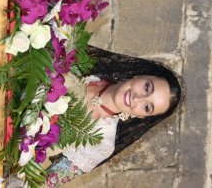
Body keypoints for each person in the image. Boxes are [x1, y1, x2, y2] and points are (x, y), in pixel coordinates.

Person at [39, 46, 183, 187]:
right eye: (147, 87)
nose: (137, 98)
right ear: (141, 75)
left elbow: (43, 183)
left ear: (141, 116)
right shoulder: (85, 63)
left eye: (147, 107)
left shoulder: (101, 143)